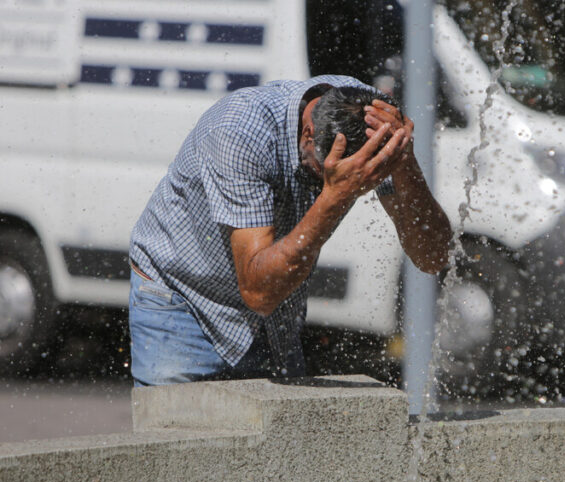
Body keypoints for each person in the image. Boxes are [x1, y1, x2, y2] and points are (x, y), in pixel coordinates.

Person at [128, 75, 451, 386]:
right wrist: (335, 196)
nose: (351, 186)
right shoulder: (236, 133)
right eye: (322, 173)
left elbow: (432, 258)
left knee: (276, 440)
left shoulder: (375, 123)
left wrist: (404, 162)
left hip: (274, 309)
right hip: (184, 303)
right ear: (308, 135)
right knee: (180, 437)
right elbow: (259, 292)